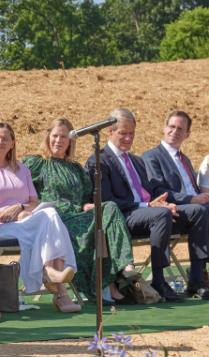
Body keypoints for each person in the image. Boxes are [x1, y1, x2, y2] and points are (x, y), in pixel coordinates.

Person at [86, 108, 209, 304]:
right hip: (123, 216)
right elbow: (107, 202)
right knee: (161, 214)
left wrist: (163, 203)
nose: (128, 138)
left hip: (150, 211)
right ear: (110, 131)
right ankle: (159, 281)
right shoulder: (99, 160)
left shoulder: (136, 160)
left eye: (131, 133)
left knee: (197, 211)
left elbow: (153, 194)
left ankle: (196, 278)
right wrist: (149, 206)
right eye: (123, 133)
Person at [22, 118, 137, 304]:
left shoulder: (75, 168)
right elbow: (20, 191)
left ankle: (124, 266)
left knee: (109, 208)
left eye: (64, 137)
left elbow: (84, 197)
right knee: (101, 227)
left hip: (78, 217)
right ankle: (107, 286)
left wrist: (86, 205)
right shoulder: (36, 164)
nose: (58, 140)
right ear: (47, 136)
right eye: (55, 136)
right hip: (55, 222)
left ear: (70, 141)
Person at [0, 123, 80, 313]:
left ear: (12, 143)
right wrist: (6, 215)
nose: (0, 142)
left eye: (5, 139)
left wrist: (21, 208)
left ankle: (52, 274)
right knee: (50, 215)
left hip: (25, 223)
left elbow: (33, 202)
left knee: (49, 214)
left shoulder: (21, 169)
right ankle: (58, 287)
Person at [141, 111, 209, 300]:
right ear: (164, 128)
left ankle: (199, 276)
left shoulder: (184, 159)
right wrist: (191, 200)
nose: (175, 131)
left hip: (196, 215)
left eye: (180, 129)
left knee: (203, 210)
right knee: (200, 210)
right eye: (171, 126)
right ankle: (196, 279)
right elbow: (157, 191)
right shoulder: (151, 156)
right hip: (170, 213)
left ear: (187, 134)